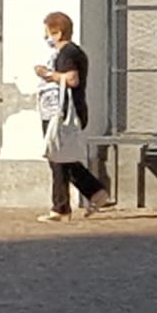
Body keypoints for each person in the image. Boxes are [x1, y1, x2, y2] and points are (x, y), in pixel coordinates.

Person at [34, 12, 111, 222]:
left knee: (57, 158)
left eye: (48, 33)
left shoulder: (68, 53)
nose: (45, 37)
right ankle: (95, 192)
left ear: (58, 33)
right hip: (61, 111)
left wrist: (46, 74)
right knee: (63, 158)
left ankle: (61, 208)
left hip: (64, 113)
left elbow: (72, 79)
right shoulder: (69, 53)